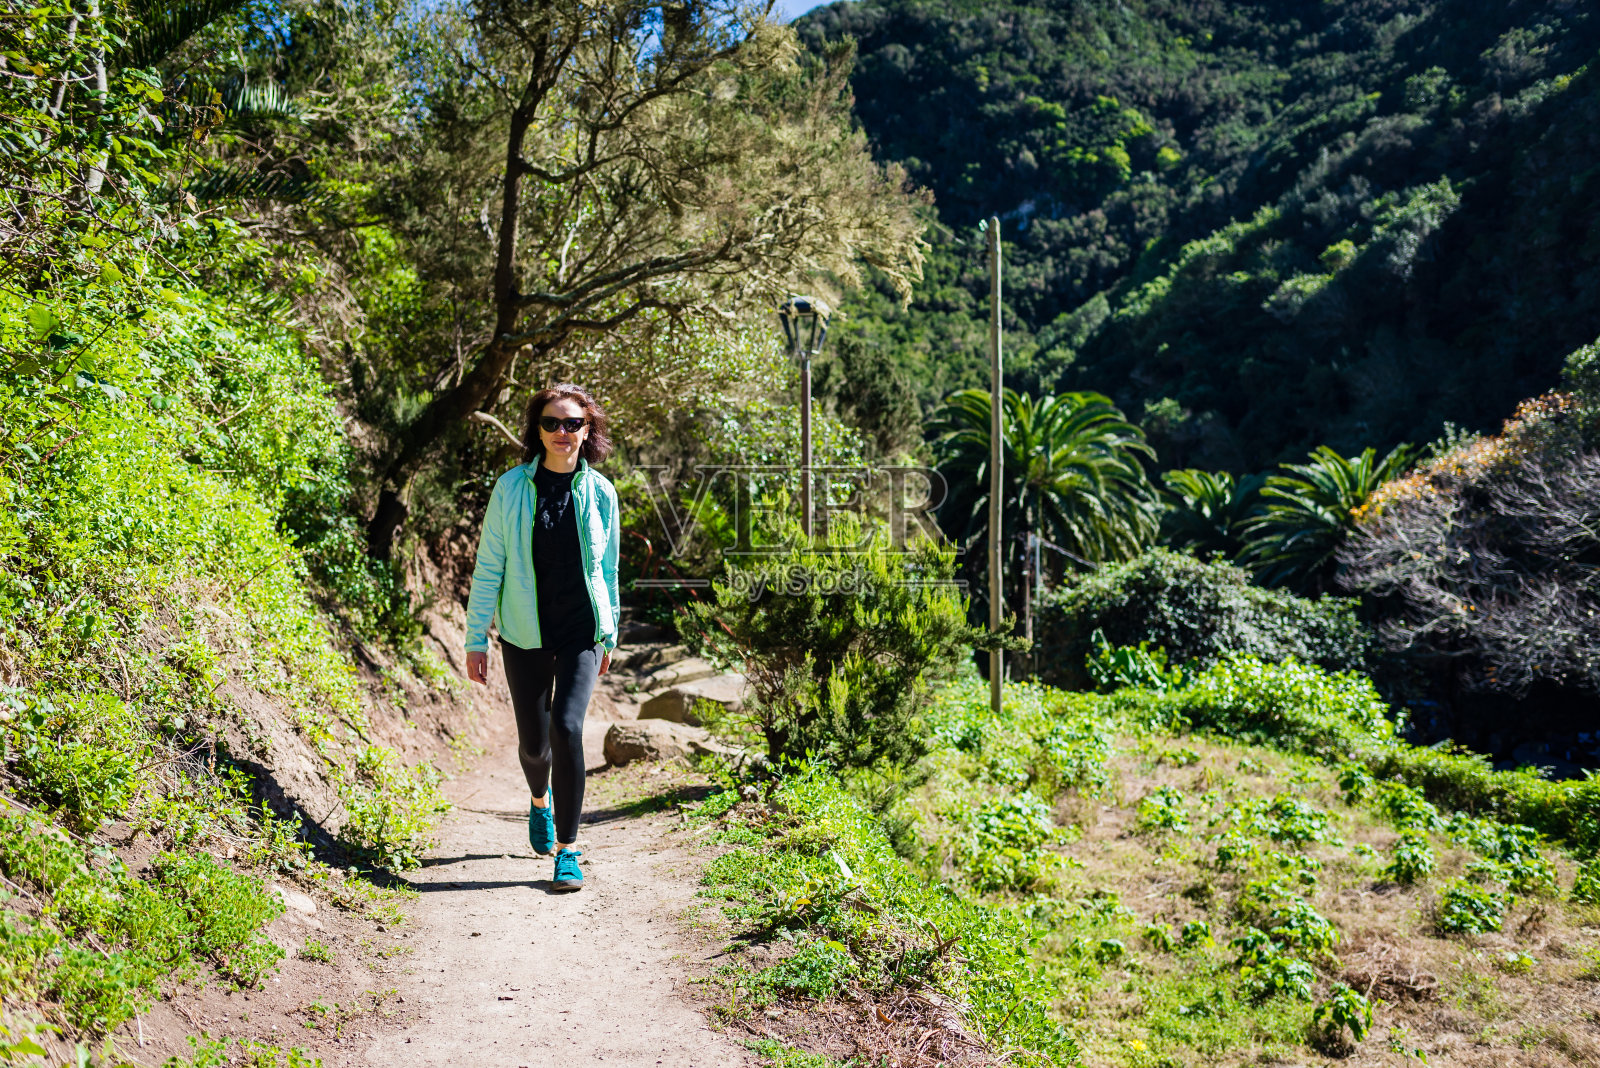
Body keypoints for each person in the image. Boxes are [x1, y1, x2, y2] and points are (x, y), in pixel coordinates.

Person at [463, 383, 620, 892]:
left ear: (588, 431)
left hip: (581, 632)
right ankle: (539, 801)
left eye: (572, 423)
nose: (561, 432)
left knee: (568, 729)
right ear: (537, 430)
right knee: (535, 745)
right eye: (552, 423)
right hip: (523, 633)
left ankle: (569, 850)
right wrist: (475, 638)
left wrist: (610, 631)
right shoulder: (510, 489)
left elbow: (608, 568)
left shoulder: (601, 493)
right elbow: (489, 567)